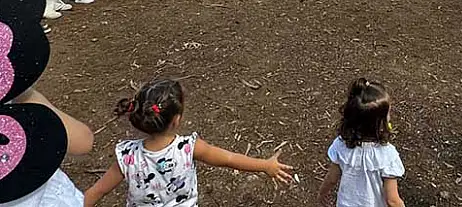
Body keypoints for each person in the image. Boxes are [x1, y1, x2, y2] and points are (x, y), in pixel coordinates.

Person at [83, 79, 293, 206]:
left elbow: (97, 192)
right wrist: (265, 166)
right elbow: (229, 159)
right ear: (176, 120)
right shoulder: (188, 148)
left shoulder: (127, 156)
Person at [317, 78, 405, 207]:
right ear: (380, 123)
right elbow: (392, 200)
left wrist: (322, 193)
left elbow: (331, 179)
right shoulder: (387, 155)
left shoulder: (341, 145)